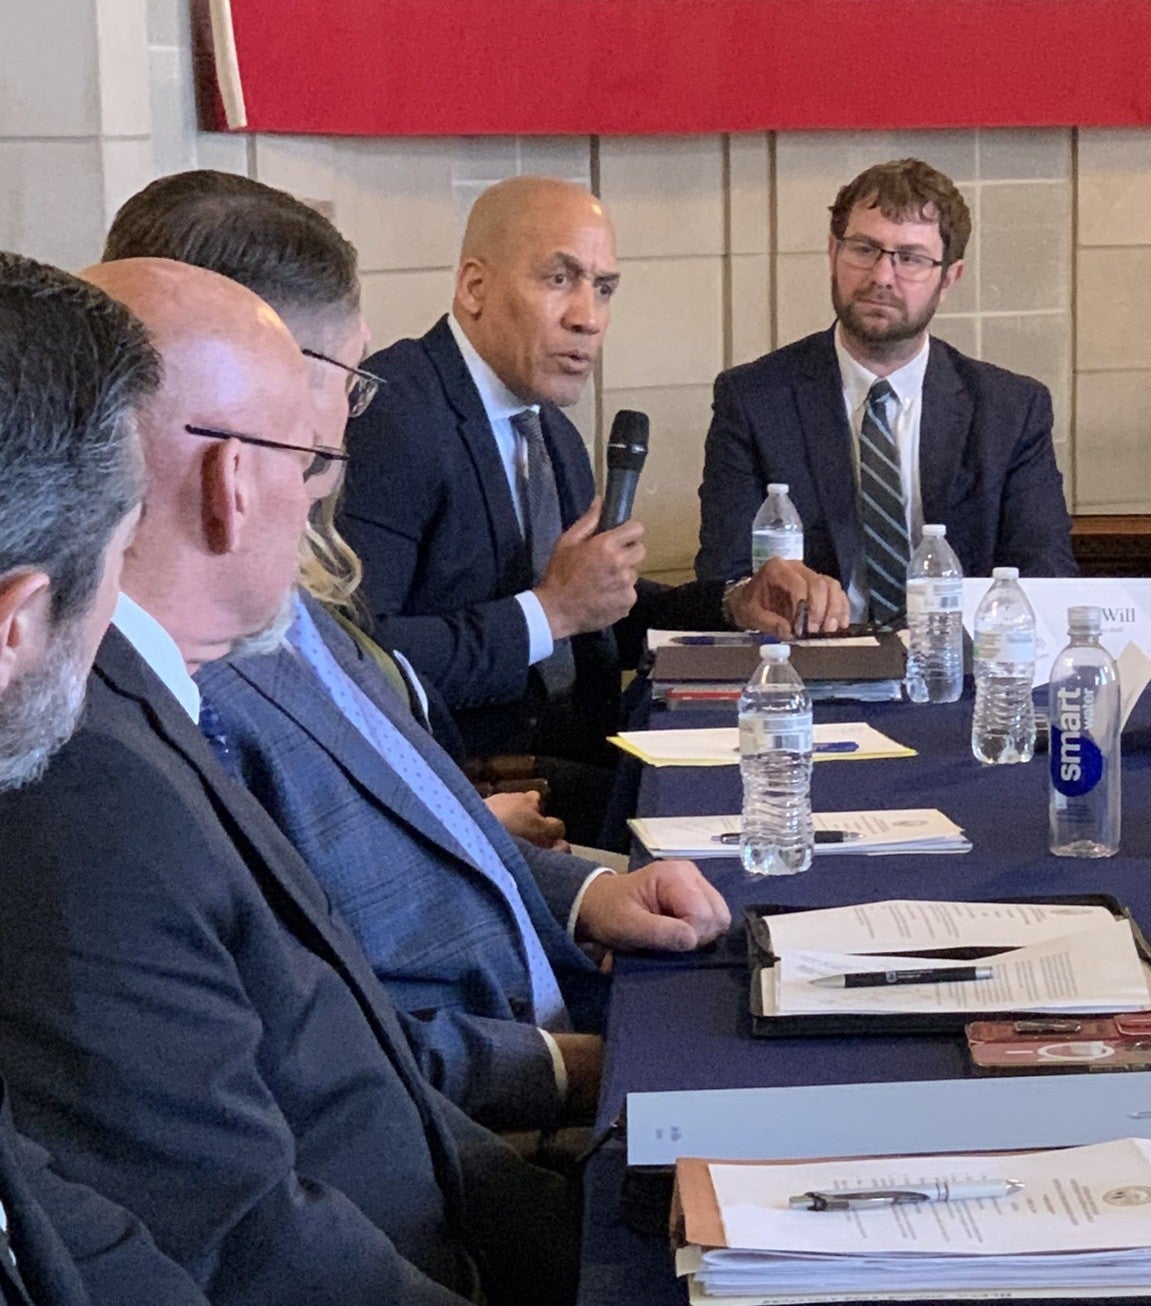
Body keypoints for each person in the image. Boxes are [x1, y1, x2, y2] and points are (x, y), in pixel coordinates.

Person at [0, 256, 580, 1306]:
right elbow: (240, 1251)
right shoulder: (79, 773)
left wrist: (605, 1259)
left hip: (460, 1248)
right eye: (310, 464)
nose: (321, 504)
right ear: (231, 481)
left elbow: (370, 1089)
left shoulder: (150, 702)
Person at [103, 170, 732, 1135]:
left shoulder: (286, 598)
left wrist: (589, 894)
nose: (335, 447)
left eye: (604, 287)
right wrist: (567, 1069)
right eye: (342, 381)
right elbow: (315, 1041)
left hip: (542, 969)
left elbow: (412, 802)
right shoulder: (180, 673)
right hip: (484, 1099)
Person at [336, 176, 848, 824]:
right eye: (560, 279)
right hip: (468, 790)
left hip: (589, 755)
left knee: (804, 785)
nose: (589, 317)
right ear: (474, 287)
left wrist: (735, 603)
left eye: (604, 288)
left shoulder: (548, 426)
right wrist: (549, 612)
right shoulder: (395, 414)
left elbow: (597, 615)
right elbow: (357, 655)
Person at [695, 158, 1076, 617]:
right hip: (813, 652)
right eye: (863, 249)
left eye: (910, 258)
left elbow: (1045, 576)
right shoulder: (754, 398)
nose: (881, 277)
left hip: (959, 651)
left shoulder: (1010, 410)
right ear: (833, 253)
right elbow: (725, 577)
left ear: (949, 277)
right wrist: (748, 598)